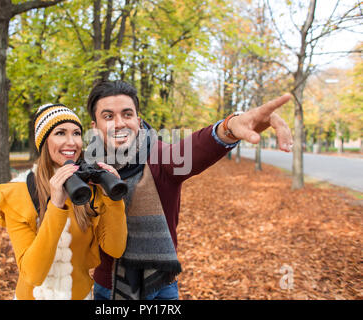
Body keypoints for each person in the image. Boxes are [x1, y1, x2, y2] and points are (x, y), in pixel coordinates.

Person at [85, 80, 293, 300]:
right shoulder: (88, 170)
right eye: (108, 116)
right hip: (107, 288)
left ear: (138, 119)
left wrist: (230, 127)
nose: (119, 123)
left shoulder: (161, 158)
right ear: (94, 127)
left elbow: (195, 148)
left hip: (159, 288)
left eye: (127, 114)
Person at [0, 103, 127, 300]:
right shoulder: (18, 193)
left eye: (77, 133)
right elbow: (34, 274)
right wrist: (56, 205)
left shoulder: (88, 190)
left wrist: (113, 199)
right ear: (44, 142)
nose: (72, 142)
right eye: (60, 133)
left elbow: (115, 249)